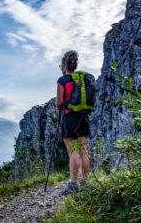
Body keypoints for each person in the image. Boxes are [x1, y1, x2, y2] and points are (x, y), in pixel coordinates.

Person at [56, 50, 90, 195]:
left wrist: (60, 113)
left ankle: (73, 184)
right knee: (83, 151)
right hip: (83, 117)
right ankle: (85, 181)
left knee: (72, 152)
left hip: (69, 117)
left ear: (64, 66)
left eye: (61, 66)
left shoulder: (62, 80)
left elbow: (59, 102)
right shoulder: (81, 80)